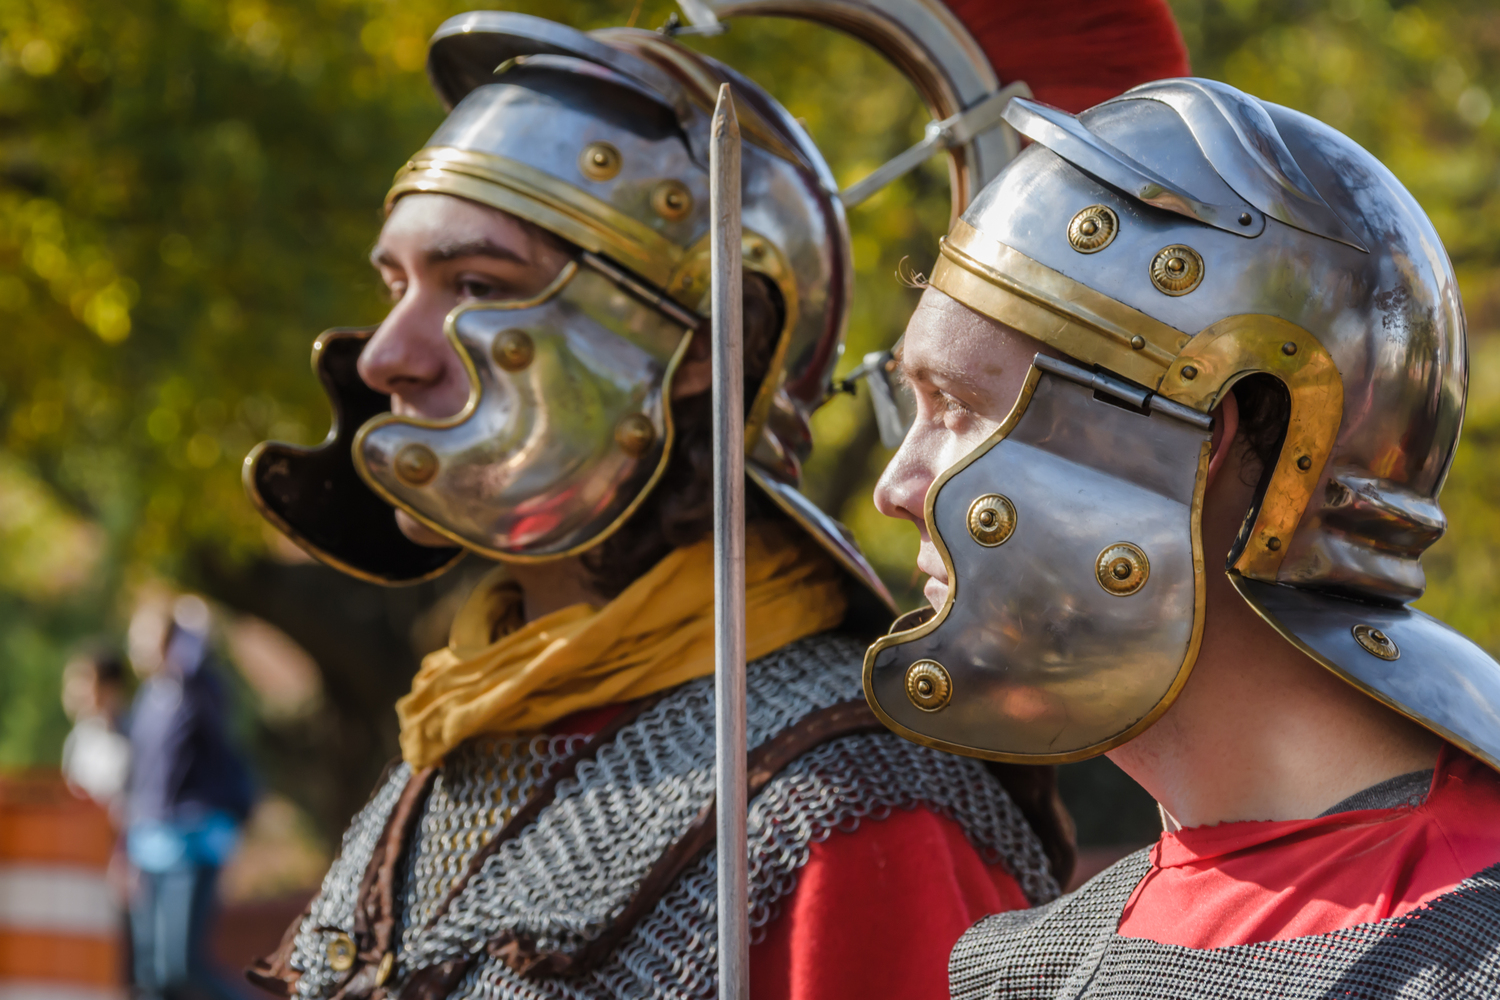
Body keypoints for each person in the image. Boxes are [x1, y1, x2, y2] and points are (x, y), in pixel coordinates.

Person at [240, 3, 1197, 995]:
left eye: (477, 284)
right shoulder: (459, 728)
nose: (390, 355)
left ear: (700, 351)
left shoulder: (858, 802)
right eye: (394, 283)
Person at [864, 77, 1500, 996]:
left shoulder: (1468, 941)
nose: (896, 486)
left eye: (960, 408)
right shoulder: (1025, 969)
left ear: (1202, 441)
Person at [126, 593, 257, 1000]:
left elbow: (217, 739)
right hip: (149, 844)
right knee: (151, 974)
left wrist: (194, 648)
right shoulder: (149, 696)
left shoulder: (199, 690)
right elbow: (140, 773)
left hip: (191, 843)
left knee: (182, 967)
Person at [61, 645, 132, 813]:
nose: (76, 692)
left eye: (85, 681)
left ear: (110, 687)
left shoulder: (135, 732)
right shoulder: (80, 737)